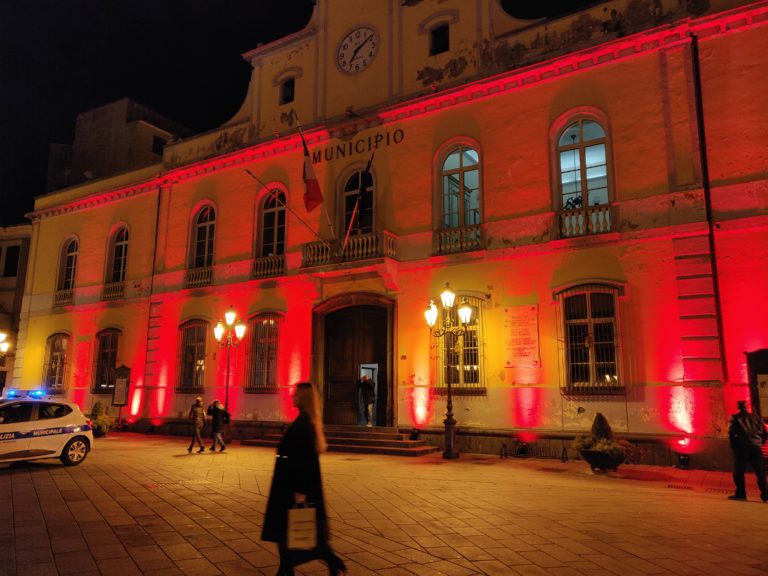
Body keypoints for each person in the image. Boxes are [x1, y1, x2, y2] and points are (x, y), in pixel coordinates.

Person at [261, 382, 347, 576]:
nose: (293, 396)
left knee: (286, 533)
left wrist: (301, 491)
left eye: (296, 394)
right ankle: (304, 564)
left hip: (291, 486)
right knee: (284, 534)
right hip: (287, 483)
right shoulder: (304, 421)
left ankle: (323, 559)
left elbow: (306, 461)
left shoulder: (305, 425)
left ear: (303, 399)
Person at [727, 399, 768, 502]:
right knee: (760, 472)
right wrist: (759, 443)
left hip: (742, 448)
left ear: (739, 407)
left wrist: (735, 446)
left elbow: (731, 434)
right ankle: (765, 494)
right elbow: (764, 433)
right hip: (756, 448)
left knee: (739, 472)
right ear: (747, 407)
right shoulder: (757, 418)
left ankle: (741, 493)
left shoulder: (735, 418)